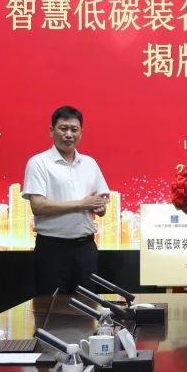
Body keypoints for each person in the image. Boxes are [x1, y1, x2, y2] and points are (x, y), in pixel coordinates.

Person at [23, 105, 110, 295]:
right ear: (51, 131)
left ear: (81, 133)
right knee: (51, 306)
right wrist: (82, 204)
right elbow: (38, 206)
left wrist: (99, 206)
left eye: (74, 129)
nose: (69, 134)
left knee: (86, 306)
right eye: (63, 128)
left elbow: (102, 203)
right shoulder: (39, 162)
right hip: (52, 249)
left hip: (86, 249)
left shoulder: (90, 163)